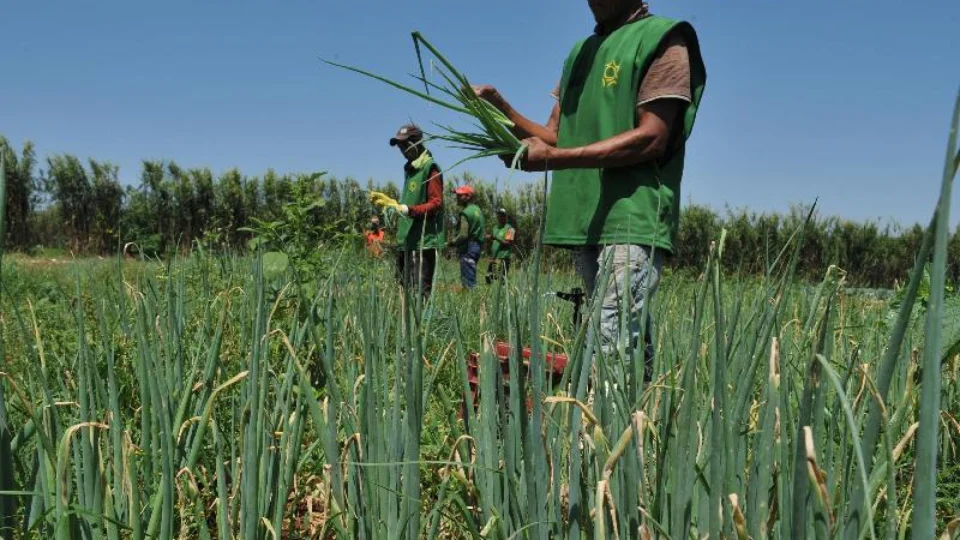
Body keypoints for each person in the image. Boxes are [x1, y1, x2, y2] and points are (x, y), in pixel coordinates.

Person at [473, 0, 706, 381]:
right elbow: (556, 136)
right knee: (622, 341)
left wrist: (555, 158)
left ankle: (599, 437)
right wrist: (500, 109)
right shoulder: (580, 53)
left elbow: (652, 138)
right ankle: (636, 425)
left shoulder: (664, 39)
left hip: (633, 217)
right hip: (587, 219)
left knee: (611, 342)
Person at [370, 124, 445, 299]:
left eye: (406, 145)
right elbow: (409, 202)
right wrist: (392, 204)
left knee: (420, 294)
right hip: (406, 240)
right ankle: (404, 325)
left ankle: (422, 326)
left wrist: (407, 210)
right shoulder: (410, 169)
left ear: (417, 142)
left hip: (422, 241)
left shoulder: (429, 167)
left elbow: (436, 204)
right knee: (403, 290)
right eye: (400, 146)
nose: (402, 150)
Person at [447, 186, 485, 289]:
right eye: (457, 195)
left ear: (468, 197)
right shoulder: (477, 210)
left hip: (468, 247)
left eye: (460, 195)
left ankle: (474, 302)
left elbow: (463, 235)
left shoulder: (465, 213)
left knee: (468, 281)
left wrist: (452, 243)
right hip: (477, 247)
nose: (457, 197)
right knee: (471, 274)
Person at [485, 208, 515, 284]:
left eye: (502, 215)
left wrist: (495, 237)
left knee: (500, 280)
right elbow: (493, 242)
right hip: (494, 258)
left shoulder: (510, 229)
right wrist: (489, 239)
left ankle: (503, 294)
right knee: (488, 277)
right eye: (499, 215)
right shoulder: (495, 228)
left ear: (505, 217)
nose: (500, 217)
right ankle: (491, 295)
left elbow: (508, 243)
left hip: (503, 258)